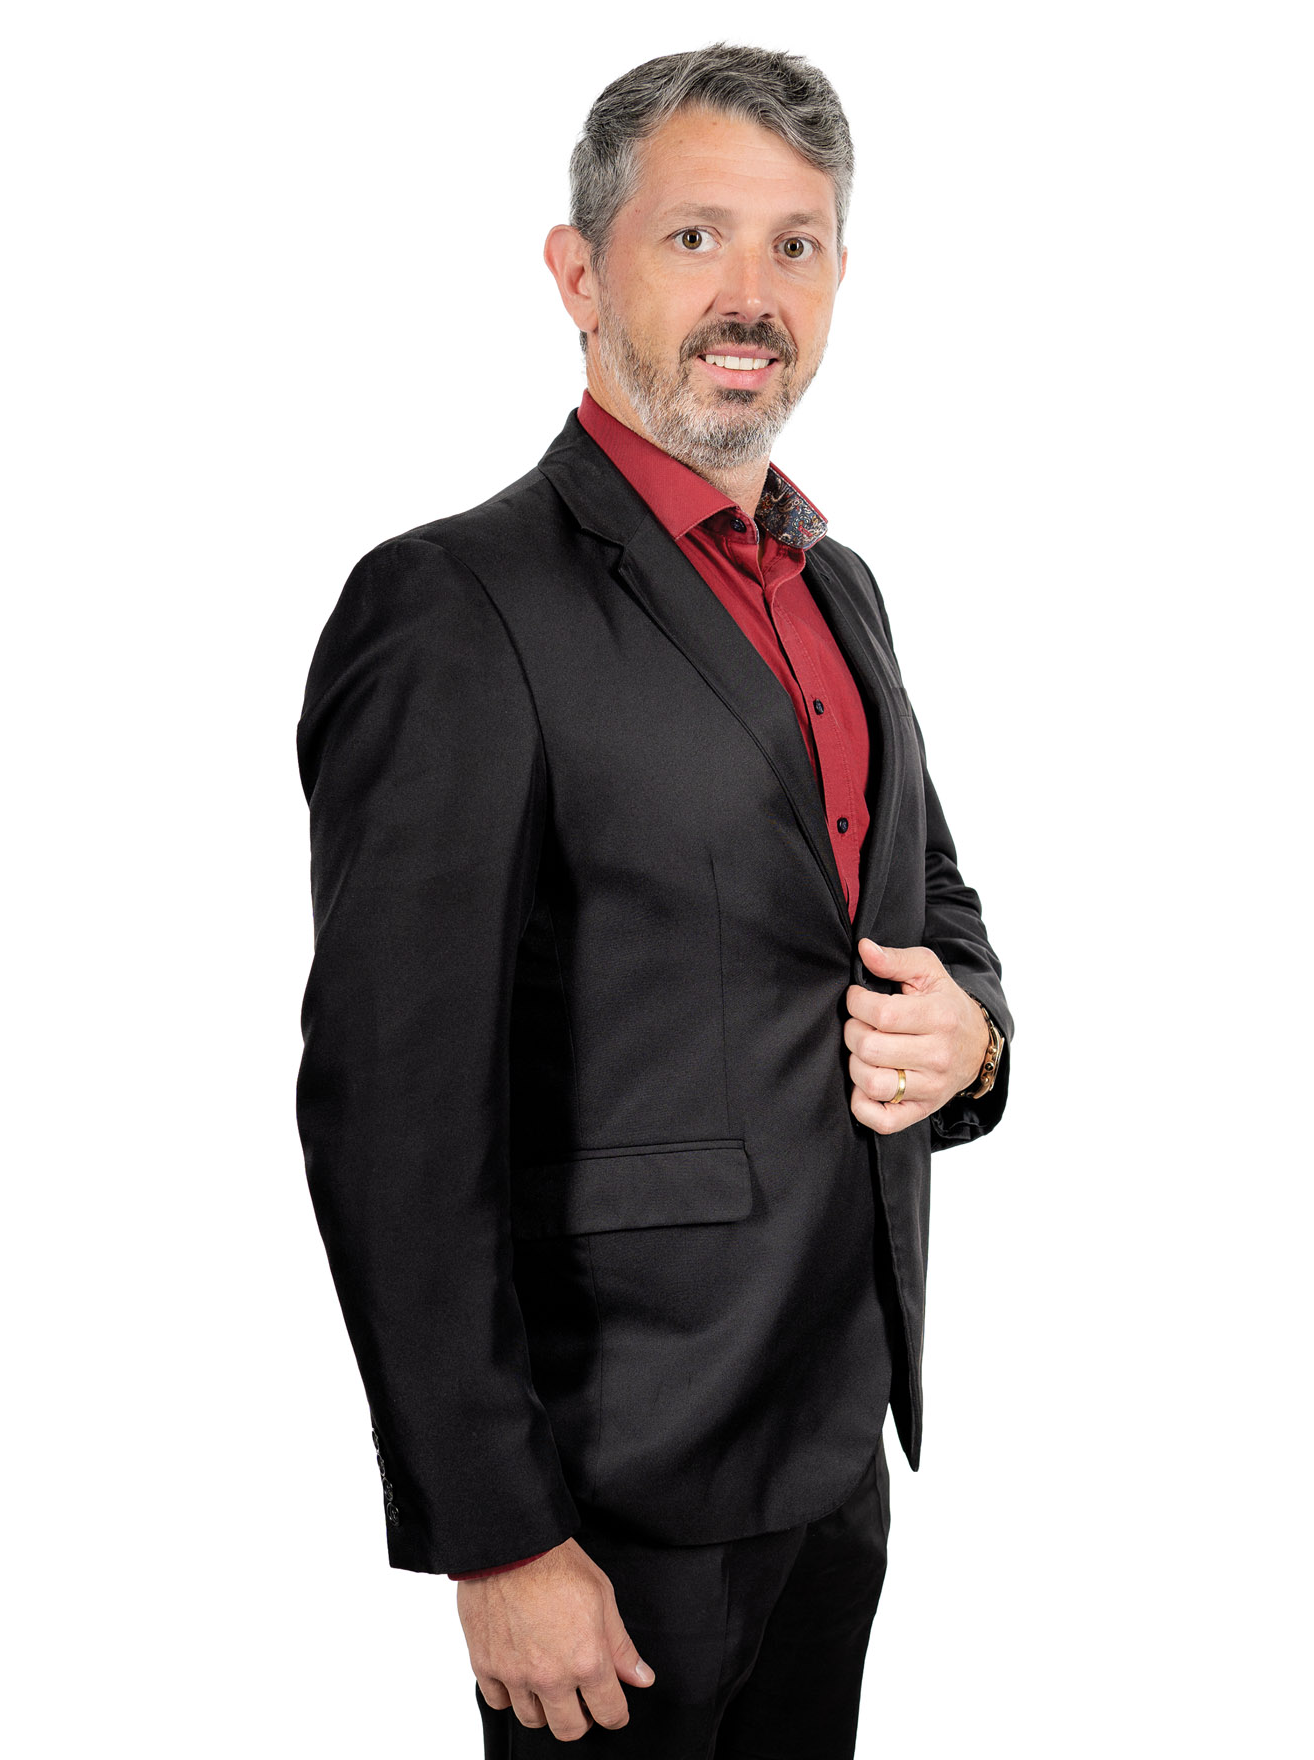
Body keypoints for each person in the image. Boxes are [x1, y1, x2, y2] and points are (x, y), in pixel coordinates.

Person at [294, 44, 1013, 1756]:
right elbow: (392, 1114)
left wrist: (973, 1040)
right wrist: (496, 1537)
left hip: (834, 1449)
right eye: (696, 238)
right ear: (578, 273)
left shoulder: (840, 589)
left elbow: (930, 901)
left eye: (796, 244)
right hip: (608, 1495)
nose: (751, 293)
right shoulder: (453, 606)